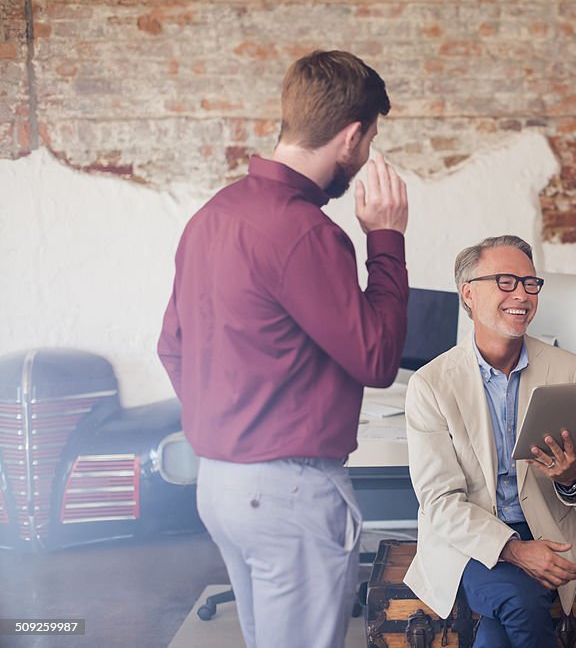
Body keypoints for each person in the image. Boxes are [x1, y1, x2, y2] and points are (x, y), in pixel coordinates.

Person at [157, 50, 409, 648]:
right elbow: (377, 360)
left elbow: (172, 347)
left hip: (218, 485)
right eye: (370, 138)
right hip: (287, 494)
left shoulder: (210, 217)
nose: (368, 154)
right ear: (350, 136)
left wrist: (231, 420)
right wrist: (387, 237)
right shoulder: (307, 233)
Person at [403, 235, 576, 647]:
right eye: (506, 282)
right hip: (467, 541)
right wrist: (514, 550)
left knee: (500, 628)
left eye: (530, 284)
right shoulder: (432, 384)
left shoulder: (565, 368)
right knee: (520, 601)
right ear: (469, 294)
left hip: (545, 530)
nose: (522, 295)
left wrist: (569, 476)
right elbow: (439, 500)